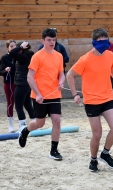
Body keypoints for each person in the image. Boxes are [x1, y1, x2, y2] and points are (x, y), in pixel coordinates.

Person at [66, 28, 113, 172]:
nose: (104, 43)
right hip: (91, 101)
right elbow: (69, 75)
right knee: (97, 134)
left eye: (105, 40)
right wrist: (75, 94)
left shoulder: (110, 56)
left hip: (107, 98)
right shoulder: (85, 59)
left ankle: (105, 153)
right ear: (94, 42)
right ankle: (93, 159)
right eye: (100, 41)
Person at [18, 28, 65, 161]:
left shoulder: (59, 56)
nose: (52, 42)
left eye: (54, 40)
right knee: (40, 123)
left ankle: (54, 150)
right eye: (49, 40)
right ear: (43, 40)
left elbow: (61, 73)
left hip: (55, 94)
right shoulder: (37, 56)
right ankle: (25, 131)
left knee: (57, 120)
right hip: (40, 96)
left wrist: (61, 81)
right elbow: (30, 77)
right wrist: (38, 94)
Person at [9, 41, 36, 132]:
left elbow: (12, 52)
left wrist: (20, 46)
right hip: (27, 84)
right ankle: (34, 122)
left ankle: (22, 126)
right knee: (28, 104)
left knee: (18, 106)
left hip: (21, 83)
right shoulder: (29, 56)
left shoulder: (23, 57)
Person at [0, 39, 16, 133]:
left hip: (19, 82)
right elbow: (0, 72)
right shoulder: (4, 58)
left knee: (21, 102)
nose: (13, 48)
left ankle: (22, 122)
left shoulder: (18, 57)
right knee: (10, 103)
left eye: (15, 46)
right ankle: (10, 124)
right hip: (8, 83)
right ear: (8, 48)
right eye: (11, 46)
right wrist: (5, 70)